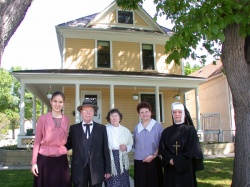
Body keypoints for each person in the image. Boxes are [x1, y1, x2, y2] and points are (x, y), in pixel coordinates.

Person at [66, 98, 111, 187]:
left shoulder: (101, 129)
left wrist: (107, 170)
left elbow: (105, 150)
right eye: (85, 110)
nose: (88, 112)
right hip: (78, 168)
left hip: (97, 169)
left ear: (94, 112)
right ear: (81, 112)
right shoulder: (74, 129)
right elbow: (67, 145)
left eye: (90, 110)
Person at [159, 102, 204, 187]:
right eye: (175, 112)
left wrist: (176, 160)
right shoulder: (166, 131)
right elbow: (162, 149)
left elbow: (192, 150)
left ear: (183, 113)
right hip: (170, 169)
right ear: (172, 114)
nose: (177, 114)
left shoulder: (190, 131)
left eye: (179, 112)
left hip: (185, 168)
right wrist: (169, 159)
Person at [31, 91, 71, 187]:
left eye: (60, 102)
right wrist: (33, 163)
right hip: (45, 160)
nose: (57, 104)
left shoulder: (66, 119)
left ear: (64, 103)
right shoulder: (42, 119)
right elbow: (37, 141)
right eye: (55, 101)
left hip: (61, 160)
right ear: (51, 102)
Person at [133, 101, 163, 187]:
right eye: (141, 112)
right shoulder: (136, 127)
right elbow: (135, 143)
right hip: (139, 161)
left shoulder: (158, 126)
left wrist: (153, 156)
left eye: (146, 111)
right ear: (139, 114)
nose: (144, 114)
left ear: (150, 112)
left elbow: (162, 144)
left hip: (154, 161)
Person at [105, 108, 133, 187]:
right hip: (109, 157)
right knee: (111, 180)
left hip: (122, 159)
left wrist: (126, 148)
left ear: (120, 118)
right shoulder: (104, 130)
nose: (114, 118)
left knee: (123, 181)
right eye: (112, 116)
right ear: (109, 118)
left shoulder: (126, 131)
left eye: (116, 116)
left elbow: (130, 145)